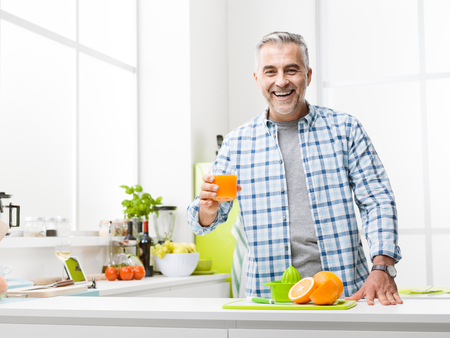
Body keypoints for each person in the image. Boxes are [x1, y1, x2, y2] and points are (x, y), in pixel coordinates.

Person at [187, 31, 402, 306]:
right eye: (270, 71)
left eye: (292, 70)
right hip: (270, 300)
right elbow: (201, 221)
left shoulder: (345, 129)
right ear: (257, 80)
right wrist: (207, 210)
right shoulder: (236, 143)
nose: (281, 81)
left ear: (308, 75)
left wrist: (382, 267)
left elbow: (377, 200)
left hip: (346, 294)